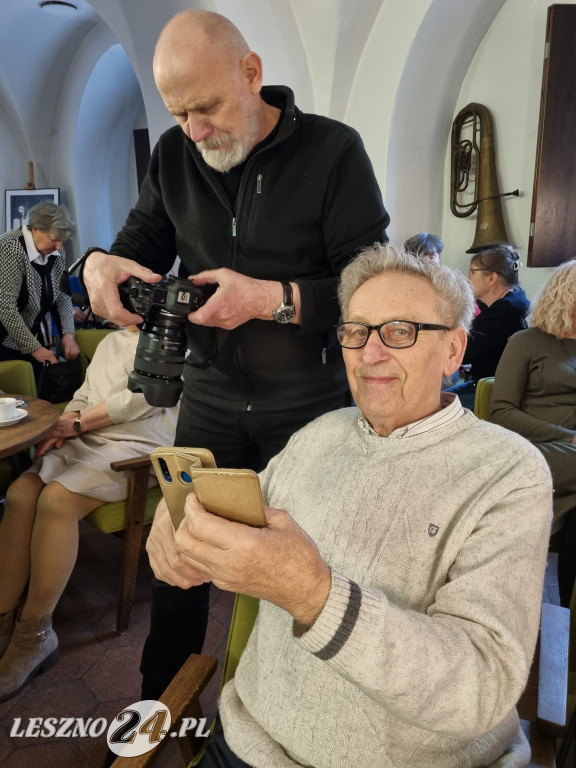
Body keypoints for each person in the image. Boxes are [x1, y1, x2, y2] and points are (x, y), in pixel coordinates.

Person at [146, 243, 552, 768]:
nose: (369, 353)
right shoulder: (319, 433)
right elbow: (225, 511)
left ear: (453, 351)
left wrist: (314, 596)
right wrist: (176, 523)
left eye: (400, 331)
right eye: (356, 331)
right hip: (246, 743)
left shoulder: (507, 473)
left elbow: (481, 685)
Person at [81, 9, 389, 699]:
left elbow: (372, 291)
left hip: (308, 407)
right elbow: (138, 246)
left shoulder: (335, 153)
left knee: (304, 569)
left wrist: (271, 298)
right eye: (177, 112)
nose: (194, 130)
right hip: (210, 400)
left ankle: (293, 708)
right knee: (179, 562)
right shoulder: (172, 155)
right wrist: (99, 263)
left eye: (207, 106)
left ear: (252, 74)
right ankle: (159, 708)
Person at [0, 326, 179, 702]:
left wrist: (75, 423)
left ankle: (35, 634)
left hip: (139, 442)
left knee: (57, 500)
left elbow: (144, 400)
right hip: (89, 435)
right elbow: (83, 393)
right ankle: (4, 615)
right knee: (20, 491)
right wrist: (65, 425)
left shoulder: (173, 338)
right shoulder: (112, 340)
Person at [489, 259, 576, 607]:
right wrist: (566, 437)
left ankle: (563, 623)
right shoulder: (525, 342)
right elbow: (501, 412)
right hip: (535, 449)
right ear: (566, 295)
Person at [0, 201, 80, 379]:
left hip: (30, 336)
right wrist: (34, 348)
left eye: (62, 241)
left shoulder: (56, 252)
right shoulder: (10, 248)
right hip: (4, 340)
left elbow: (62, 295)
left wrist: (68, 335)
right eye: (54, 240)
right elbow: (5, 307)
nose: (58, 247)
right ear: (35, 229)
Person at [444, 244, 530, 409]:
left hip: (495, 393)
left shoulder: (508, 311)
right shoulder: (509, 299)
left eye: (472, 272)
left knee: (433, 407)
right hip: (483, 383)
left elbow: (464, 352)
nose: (468, 279)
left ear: (491, 278)